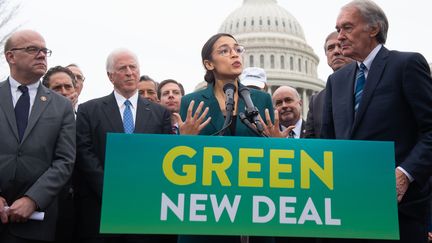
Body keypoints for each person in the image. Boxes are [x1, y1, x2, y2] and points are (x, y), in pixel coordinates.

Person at [321, 0, 432, 242]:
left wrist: (405, 173)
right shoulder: (336, 82)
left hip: (400, 210)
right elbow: (328, 143)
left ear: (374, 29)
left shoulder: (406, 65)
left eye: (347, 28)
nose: (339, 37)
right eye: (337, 29)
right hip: (350, 209)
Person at [176, 33, 287, 243]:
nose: (234, 54)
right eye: (224, 51)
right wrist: (185, 141)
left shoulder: (260, 100)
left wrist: (278, 145)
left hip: (253, 209)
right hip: (205, 212)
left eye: (237, 49)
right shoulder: (192, 102)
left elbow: (272, 161)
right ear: (209, 64)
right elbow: (183, 165)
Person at [74, 48, 173, 243]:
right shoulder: (89, 110)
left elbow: (164, 155)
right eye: (122, 68)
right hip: (101, 209)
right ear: (110, 76)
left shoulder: (159, 113)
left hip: (145, 210)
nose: (129, 72)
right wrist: (111, 190)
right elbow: (85, 153)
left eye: (133, 67)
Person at [0, 30, 75, 242]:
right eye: (33, 49)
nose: (42, 55)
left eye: (44, 51)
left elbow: (65, 161)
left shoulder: (61, 106)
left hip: (35, 223)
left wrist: (33, 199)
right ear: (10, 56)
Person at [42, 65, 78, 243]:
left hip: (79, 208)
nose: (63, 92)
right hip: (46, 204)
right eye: (57, 88)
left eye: (68, 87)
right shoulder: (38, 122)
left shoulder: (86, 118)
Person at [305, 31, 352, 138]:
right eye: (330, 48)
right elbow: (309, 142)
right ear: (326, 55)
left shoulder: (364, 85)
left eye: (340, 46)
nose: (336, 51)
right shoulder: (316, 101)